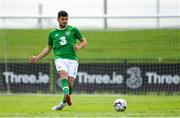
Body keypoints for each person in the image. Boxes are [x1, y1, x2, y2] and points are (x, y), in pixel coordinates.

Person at [29, 10, 87, 110]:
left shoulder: (73, 30)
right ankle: (66, 94)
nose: (65, 21)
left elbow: (84, 41)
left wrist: (79, 47)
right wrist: (37, 58)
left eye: (66, 19)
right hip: (60, 58)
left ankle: (63, 103)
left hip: (72, 59)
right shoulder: (52, 33)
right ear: (58, 19)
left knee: (71, 84)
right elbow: (48, 48)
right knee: (63, 75)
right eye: (63, 19)